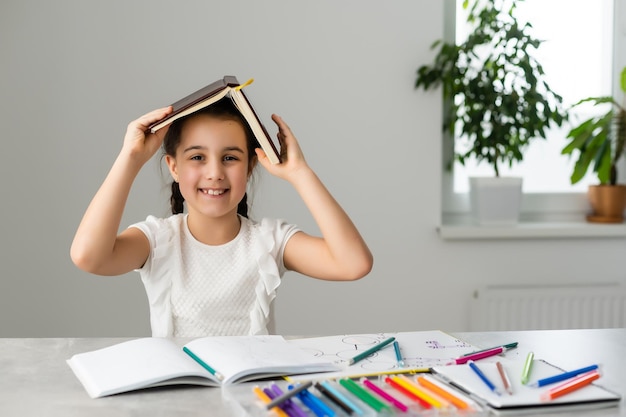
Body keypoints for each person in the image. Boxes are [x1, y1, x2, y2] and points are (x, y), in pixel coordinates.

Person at [70, 99, 373, 337]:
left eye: (230, 158)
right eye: (197, 157)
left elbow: (353, 263)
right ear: (173, 167)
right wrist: (131, 158)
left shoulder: (270, 241)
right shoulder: (157, 240)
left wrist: (299, 173)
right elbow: (89, 257)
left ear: (251, 166)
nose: (214, 173)